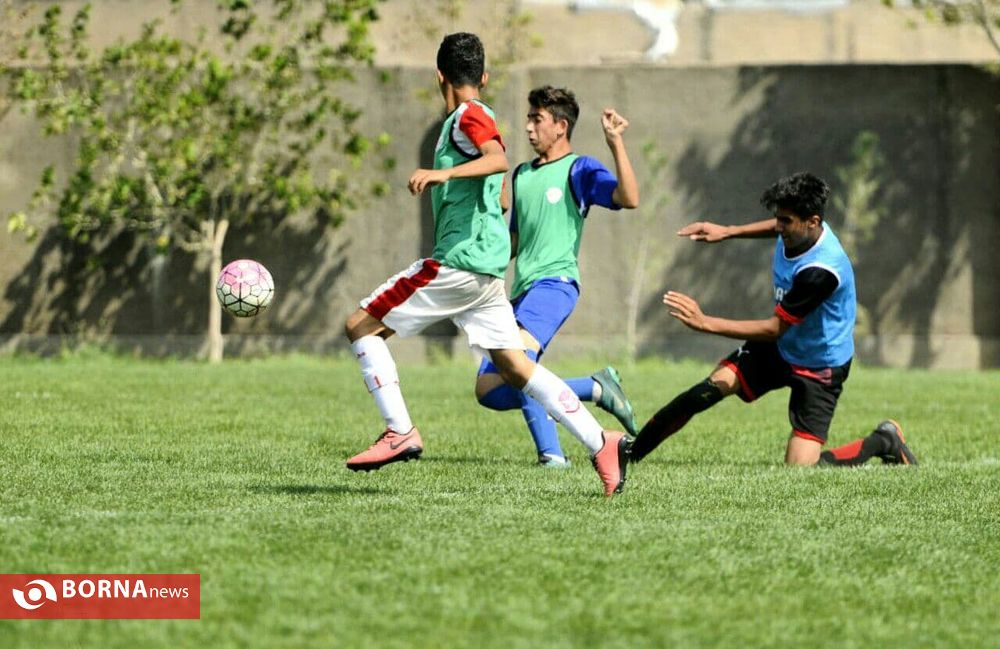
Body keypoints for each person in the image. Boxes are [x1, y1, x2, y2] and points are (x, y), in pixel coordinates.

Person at [343, 33, 629, 496]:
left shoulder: (467, 115)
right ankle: (601, 442)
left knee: (360, 326)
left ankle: (399, 431)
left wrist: (443, 173)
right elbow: (499, 184)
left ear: (439, 75)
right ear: (485, 76)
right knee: (515, 369)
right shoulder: (474, 121)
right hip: (488, 274)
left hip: (459, 264)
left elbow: (496, 158)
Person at [628, 172, 917, 468]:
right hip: (782, 347)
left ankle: (884, 441)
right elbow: (778, 228)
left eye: (785, 221)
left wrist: (705, 323)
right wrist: (728, 231)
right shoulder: (800, 229)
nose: (779, 227)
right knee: (705, 392)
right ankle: (628, 455)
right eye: (778, 218)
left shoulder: (821, 270)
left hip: (820, 365)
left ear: (813, 221)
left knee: (801, 471)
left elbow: (774, 328)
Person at [474, 85, 641, 467]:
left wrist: (615, 143)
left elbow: (629, 198)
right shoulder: (520, 175)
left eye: (537, 119)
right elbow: (515, 241)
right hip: (521, 291)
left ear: (561, 126)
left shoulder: (580, 169)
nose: (529, 128)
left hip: (555, 285)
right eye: (528, 119)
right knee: (488, 388)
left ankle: (552, 457)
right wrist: (480, 258)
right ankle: (595, 387)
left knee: (520, 363)